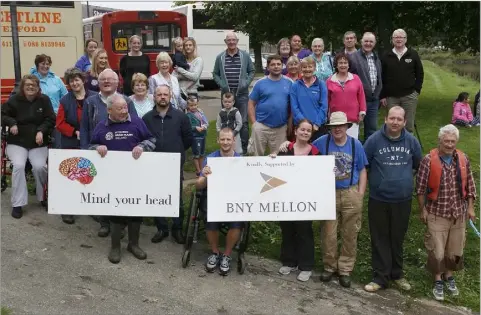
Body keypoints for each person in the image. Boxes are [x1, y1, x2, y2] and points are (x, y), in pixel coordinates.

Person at [89, 93, 156, 264]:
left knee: (135, 210)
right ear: (109, 110)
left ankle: (133, 244)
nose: (125, 111)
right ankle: (115, 246)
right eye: (120, 108)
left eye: (126, 107)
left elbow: (151, 139)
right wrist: (98, 147)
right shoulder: (101, 127)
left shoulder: (136, 122)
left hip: (135, 175)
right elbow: (90, 146)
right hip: (112, 177)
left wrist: (142, 146)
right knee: (115, 211)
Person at [363, 106, 422, 293]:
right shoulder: (373, 140)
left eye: (399, 119)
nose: (395, 122)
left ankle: (397, 274)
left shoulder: (411, 142)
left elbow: (418, 164)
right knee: (379, 238)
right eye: (392, 118)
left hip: (402, 199)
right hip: (378, 198)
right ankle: (380, 277)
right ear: (386, 119)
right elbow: (365, 164)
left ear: (405, 122)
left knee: (397, 238)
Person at [416, 124, 477, 301]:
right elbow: (420, 189)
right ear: (439, 141)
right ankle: (437, 278)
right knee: (438, 250)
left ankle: (449, 275)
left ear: (456, 141)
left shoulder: (463, 159)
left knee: (455, 249)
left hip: (458, 213)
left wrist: (471, 208)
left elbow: (470, 186)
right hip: (437, 213)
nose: (449, 144)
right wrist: (423, 210)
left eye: (452, 141)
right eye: (446, 141)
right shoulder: (428, 160)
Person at [312, 112, 368, 288]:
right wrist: (285, 145)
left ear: (346, 127)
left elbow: (363, 169)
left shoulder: (355, 144)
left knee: (350, 233)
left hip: (350, 192)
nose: (337, 129)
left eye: (341, 126)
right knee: (328, 232)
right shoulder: (322, 142)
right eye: (334, 126)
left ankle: (345, 269)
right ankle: (329, 266)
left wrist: (360, 192)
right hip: (329, 193)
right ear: (330, 128)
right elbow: (304, 150)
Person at [80, 69, 138, 237]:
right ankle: (104, 223)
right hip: (99, 153)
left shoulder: (126, 100)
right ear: (98, 82)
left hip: (123, 154)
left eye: (110, 79)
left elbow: (134, 124)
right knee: (102, 190)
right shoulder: (90, 102)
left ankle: (122, 224)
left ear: (117, 82)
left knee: (123, 189)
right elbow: (84, 128)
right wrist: (86, 150)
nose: (106, 82)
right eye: (103, 79)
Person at [142, 85, 193, 244]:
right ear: (154, 97)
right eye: (159, 94)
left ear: (170, 96)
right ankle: (162, 228)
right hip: (154, 163)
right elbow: (144, 139)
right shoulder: (147, 118)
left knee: (176, 196)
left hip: (174, 163)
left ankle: (177, 229)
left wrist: (176, 151)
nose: (162, 97)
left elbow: (188, 139)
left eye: (165, 94)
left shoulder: (181, 117)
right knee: (157, 195)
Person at [270, 119, 319, 282]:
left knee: (304, 231)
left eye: (308, 131)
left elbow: (319, 176)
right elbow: (275, 170)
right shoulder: (286, 149)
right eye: (302, 129)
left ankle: (306, 266)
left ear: (311, 134)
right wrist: (272, 158)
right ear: (296, 131)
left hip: (305, 200)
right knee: (287, 229)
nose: (305, 133)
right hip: (286, 197)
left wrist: (328, 171)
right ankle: (289, 261)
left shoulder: (316, 153)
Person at [1, 75, 55, 219]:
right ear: (22, 87)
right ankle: (17, 203)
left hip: (37, 142)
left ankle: (42, 196)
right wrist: (12, 123)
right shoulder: (13, 100)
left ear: (38, 88)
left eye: (34, 85)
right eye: (28, 85)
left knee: (40, 166)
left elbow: (50, 119)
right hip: (17, 141)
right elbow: (3, 115)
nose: (31, 87)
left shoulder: (44, 100)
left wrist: (41, 131)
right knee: (18, 165)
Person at [196, 127, 243, 276]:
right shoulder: (210, 159)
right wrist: (204, 175)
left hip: (233, 197)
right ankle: (215, 252)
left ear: (234, 141)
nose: (225, 142)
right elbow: (198, 185)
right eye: (222, 139)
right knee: (210, 215)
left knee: (238, 219)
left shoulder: (241, 160)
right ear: (218, 140)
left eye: (228, 139)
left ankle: (227, 254)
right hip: (213, 196)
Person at [56, 68, 96, 224]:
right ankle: (67, 209)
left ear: (83, 80)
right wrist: (75, 132)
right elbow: (59, 123)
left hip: (92, 142)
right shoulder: (65, 100)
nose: (74, 83)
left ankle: (92, 208)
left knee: (91, 174)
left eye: (77, 79)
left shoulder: (94, 97)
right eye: (71, 81)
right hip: (71, 142)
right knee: (71, 177)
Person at [213, 31, 255, 154]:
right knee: (226, 120)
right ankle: (228, 147)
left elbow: (252, 71)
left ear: (237, 41)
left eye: (233, 40)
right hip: (226, 95)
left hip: (242, 95)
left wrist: (245, 83)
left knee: (244, 122)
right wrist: (222, 84)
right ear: (225, 42)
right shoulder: (220, 57)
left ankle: (244, 149)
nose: (231, 42)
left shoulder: (245, 56)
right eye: (229, 40)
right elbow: (215, 73)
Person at [380, 29, 424, 133]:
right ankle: (392, 145)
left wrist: (416, 91)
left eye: (401, 37)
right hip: (391, 97)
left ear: (405, 39)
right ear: (392, 40)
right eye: (396, 37)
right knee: (392, 124)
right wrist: (382, 95)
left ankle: (408, 147)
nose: (398, 39)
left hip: (409, 96)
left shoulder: (413, 54)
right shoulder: (386, 55)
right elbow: (381, 76)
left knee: (408, 125)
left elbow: (420, 74)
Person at [247, 55, 292, 156]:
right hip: (261, 126)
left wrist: (290, 123)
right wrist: (254, 124)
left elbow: (293, 105)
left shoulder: (290, 83)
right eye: (273, 64)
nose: (276, 66)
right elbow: (251, 103)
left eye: (278, 64)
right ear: (268, 67)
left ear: (282, 66)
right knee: (256, 157)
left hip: (280, 127)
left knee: (279, 158)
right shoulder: (260, 83)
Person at [349, 32, 383, 142]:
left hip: (373, 100)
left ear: (374, 43)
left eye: (371, 41)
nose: (368, 43)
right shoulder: (353, 58)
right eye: (366, 41)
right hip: (357, 100)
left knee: (371, 130)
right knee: (355, 129)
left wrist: (378, 94)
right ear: (361, 42)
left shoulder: (376, 57)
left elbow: (379, 77)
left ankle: (368, 155)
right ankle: (356, 153)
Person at [326, 52, 366, 139]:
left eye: (345, 63)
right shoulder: (330, 81)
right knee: (337, 143)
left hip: (353, 118)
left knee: (352, 143)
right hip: (336, 120)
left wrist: (362, 112)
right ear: (336, 65)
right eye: (340, 63)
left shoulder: (356, 78)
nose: (343, 65)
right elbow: (327, 100)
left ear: (348, 65)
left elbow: (361, 96)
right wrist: (327, 115)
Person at [290, 56, 328, 142]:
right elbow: (294, 107)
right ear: (300, 69)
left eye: (310, 66)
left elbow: (324, 106)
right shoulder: (295, 85)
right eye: (304, 67)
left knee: (318, 153)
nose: (307, 69)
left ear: (314, 68)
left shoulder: (321, 84)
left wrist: (317, 124)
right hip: (301, 128)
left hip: (317, 127)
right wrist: (304, 125)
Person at [186, 94, 209, 176]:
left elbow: (205, 121)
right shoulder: (188, 115)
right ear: (188, 105)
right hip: (195, 137)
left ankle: (202, 168)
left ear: (197, 104)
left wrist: (205, 126)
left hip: (202, 135)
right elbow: (188, 126)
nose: (193, 107)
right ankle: (198, 170)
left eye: (195, 105)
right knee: (197, 154)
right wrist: (195, 127)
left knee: (202, 153)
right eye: (191, 105)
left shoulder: (200, 112)